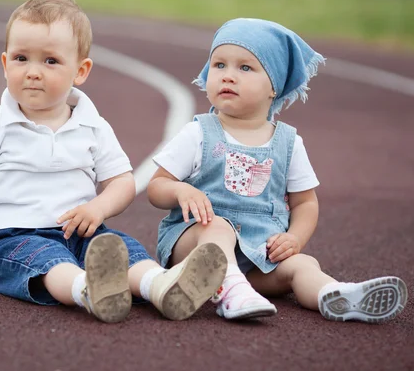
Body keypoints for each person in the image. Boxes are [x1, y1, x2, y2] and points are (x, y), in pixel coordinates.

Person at [0, 0, 227, 323]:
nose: (33, 72)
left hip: (80, 229)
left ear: (80, 71)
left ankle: (160, 286)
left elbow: (121, 181)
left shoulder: (92, 125)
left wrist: (98, 208)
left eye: (50, 61)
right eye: (22, 59)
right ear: (6, 65)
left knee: (122, 248)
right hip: (13, 237)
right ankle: (88, 291)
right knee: (50, 262)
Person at [147, 18, 408, 323]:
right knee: (217, 227)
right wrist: (181, 190)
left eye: (245, 68)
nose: (228, 76)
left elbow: (305, 202)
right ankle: (230, 289)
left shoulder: (288, 143)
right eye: (219, 65)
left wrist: (295, 239)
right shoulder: (200, 133)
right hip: (194, 248)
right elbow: (156, 187)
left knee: (303, 264)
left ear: (274, 86)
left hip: (260, 256)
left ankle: (336, 295)